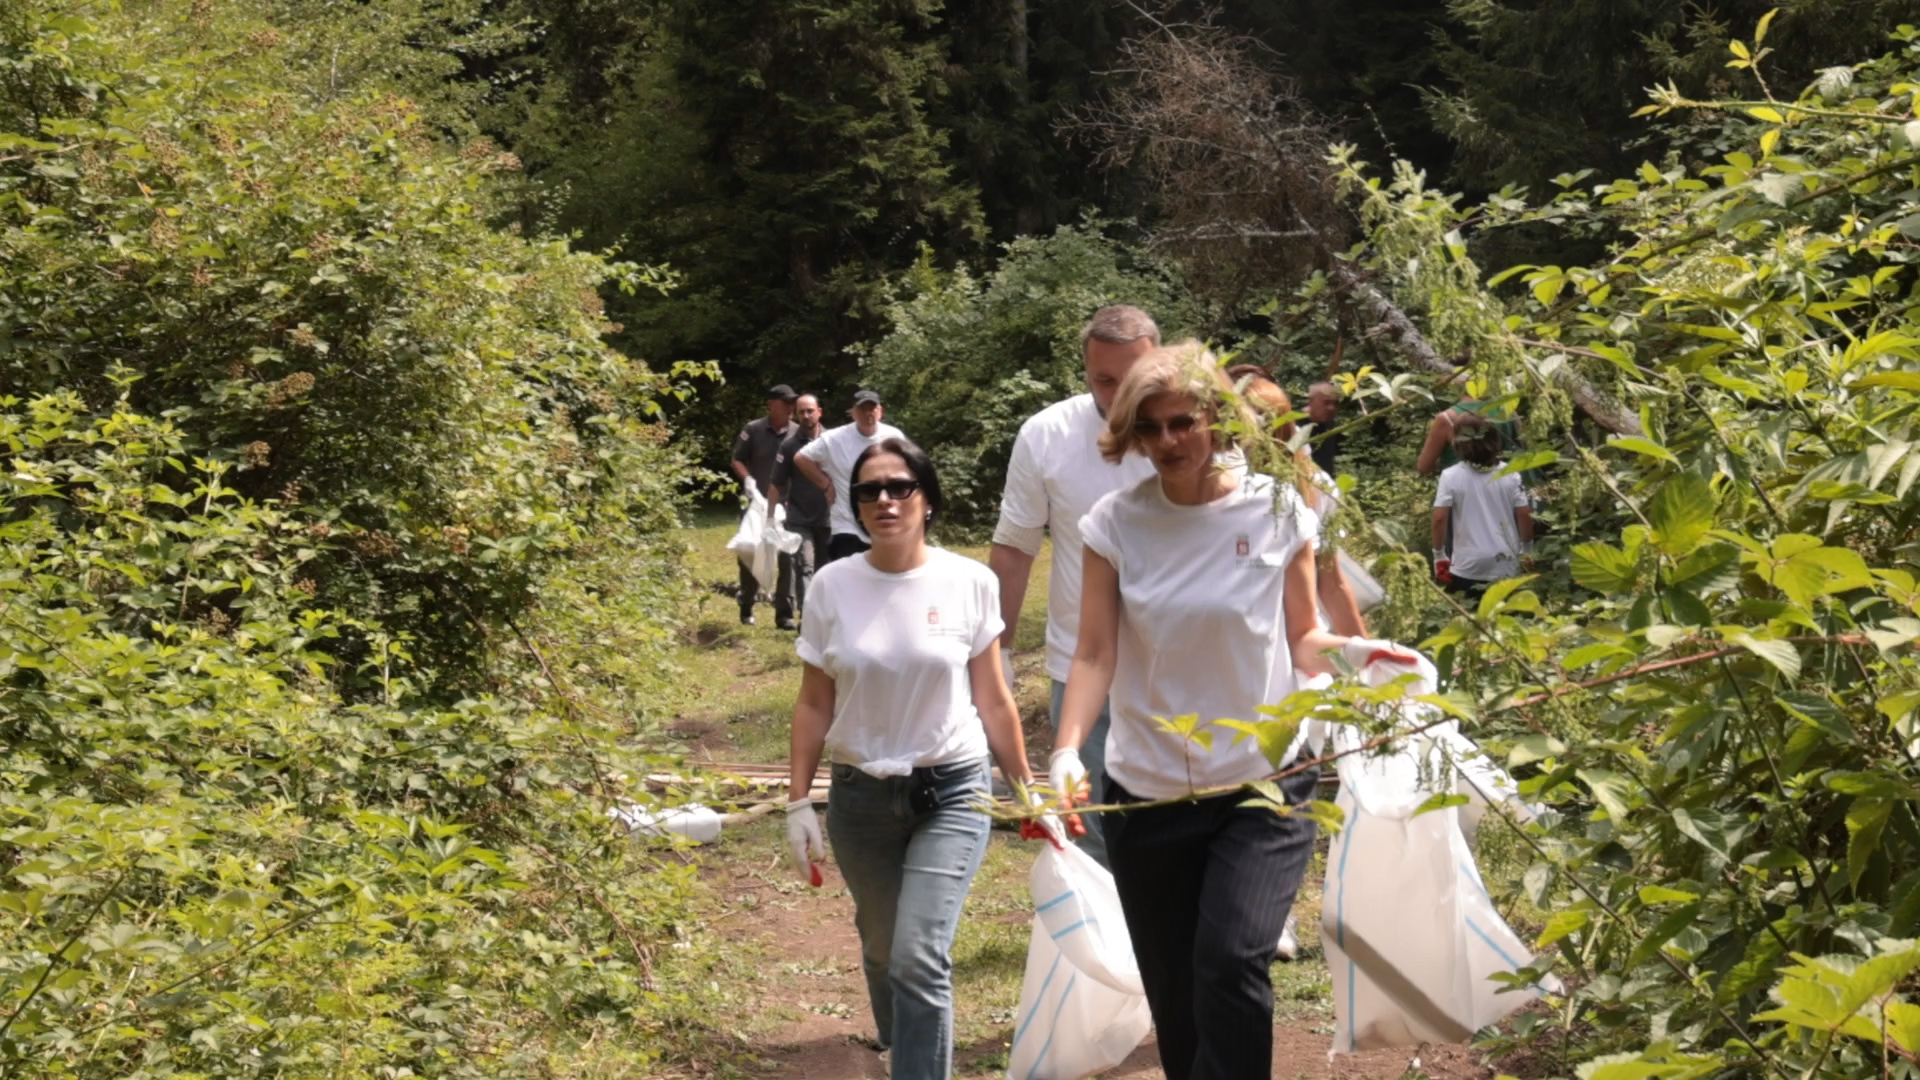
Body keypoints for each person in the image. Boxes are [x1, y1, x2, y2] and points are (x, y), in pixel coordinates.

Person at [1051, 342, 1414, 1080]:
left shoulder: (1278, 509)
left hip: (1263, 779)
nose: (1166, 443)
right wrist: (1065, 750)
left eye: (1180, 422)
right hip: (1147, 789)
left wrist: (1360, 658)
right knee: (1178, 997)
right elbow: (1093, 654)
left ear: (1218, 418)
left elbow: (1304, 635)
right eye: (1147, 429)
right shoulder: (1114, 523)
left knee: (1229, 960)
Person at [784, 438, 1034, 1080]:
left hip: (952, 789)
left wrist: (1028, 789)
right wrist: (796, 802)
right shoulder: (832, 585)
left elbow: (995, 699)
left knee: (920, 953)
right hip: (860, 796)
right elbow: (814, 703)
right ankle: (901, 1042)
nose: (885, 501)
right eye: (870, 491)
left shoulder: (970, 581)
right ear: (855, 504)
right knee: (882, 945)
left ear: (927, 499)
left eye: (900, 487)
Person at [988, 304, 1159, 867]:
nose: (1115, 394)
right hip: (1082, 659)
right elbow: (1015, 549)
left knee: (1182, 804)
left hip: (1181, 660)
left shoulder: (1194, 433)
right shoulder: (1047, 434)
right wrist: (999, 649)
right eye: (1102, 379)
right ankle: (1111, 942)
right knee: (1090, 817)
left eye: (1130, 379)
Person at [794, 389, 905, 564]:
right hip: (846, 523)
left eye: (872, 408)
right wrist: (825, 483)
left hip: (882, 521)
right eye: (862, 409)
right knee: (849, 579)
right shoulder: (834, 439)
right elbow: (801, 458)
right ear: (853, 413)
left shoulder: (894, 437)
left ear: (880, 411)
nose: (868, 414)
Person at [1432, 424, 1534, 599]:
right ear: (1495, 442)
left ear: (1458, 443)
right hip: (1507, 563)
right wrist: (1527, 550)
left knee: (1470, 621)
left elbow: (1440, 517)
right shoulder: (1511, 474)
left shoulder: (1451, 475)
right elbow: (1524, 514)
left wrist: (1439, 555)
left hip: (1467, 565)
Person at [731, 384, 798, 627]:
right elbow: (737, 458)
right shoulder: (754, 429)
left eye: (793, 403)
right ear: (772, 404)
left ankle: (784, 614)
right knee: (751, 551)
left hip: (786, 504)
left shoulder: (797, 433)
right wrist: (747, 478)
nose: (791, 408)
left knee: (787, 557)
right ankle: (747, 603)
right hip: (755, 504)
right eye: (786, 403)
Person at [768, 393, 829, 622]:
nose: (806, 415)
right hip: (799, 518)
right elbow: (776, 483)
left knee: (826, 570)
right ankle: (807, 618)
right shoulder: (789, 445)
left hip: (830, 518)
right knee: (806, 566)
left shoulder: (833, 441)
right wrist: (771, 519)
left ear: (819, 412)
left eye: (810, 410)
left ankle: (825, 618)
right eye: (801, 411)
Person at [1305, 381, 1343, 476]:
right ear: (1311, 401)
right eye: (1326, 402)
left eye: (1334, 403)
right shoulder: (1294, 425)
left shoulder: (1329, 424)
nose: (1331, 408)